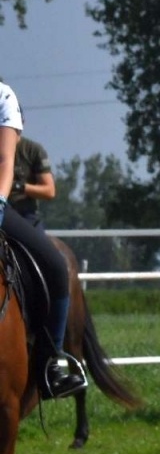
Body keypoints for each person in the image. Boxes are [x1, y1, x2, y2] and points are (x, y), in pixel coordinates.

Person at [0, 80, 88, 399]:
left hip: (3, 207)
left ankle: (51, 362)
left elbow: (5, 161)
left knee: (55, 265)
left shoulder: (3, 96)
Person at [11, 136, 56, 228]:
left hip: (24, 214)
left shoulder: (32, 150)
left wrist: (17, 186)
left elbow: (49, 191)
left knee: (37, 237)